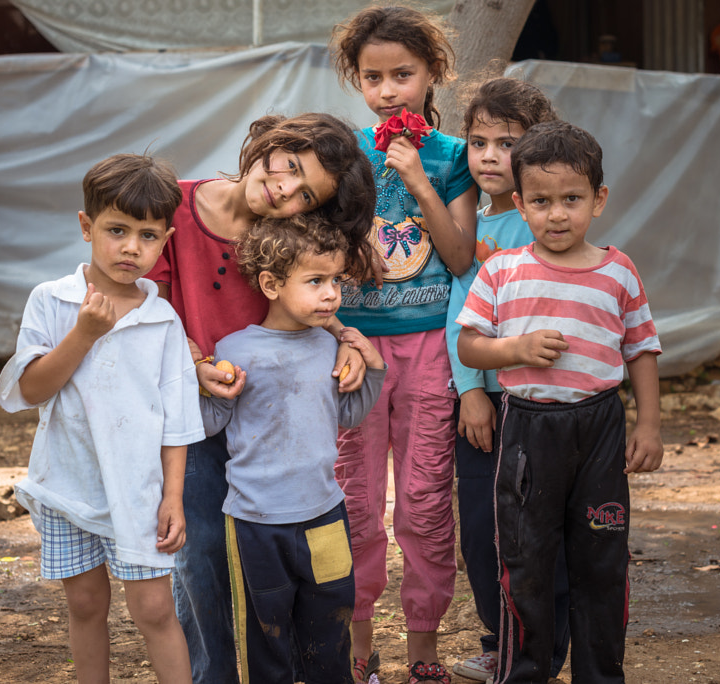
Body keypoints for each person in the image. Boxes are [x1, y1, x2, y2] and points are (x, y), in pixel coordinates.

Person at [147, 112, 377, 684]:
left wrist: (345, 338)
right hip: (195, 417)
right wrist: (195, 367)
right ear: (274, 145)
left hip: (277, 429)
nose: (284, 189)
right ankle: (213, 676)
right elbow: (143, 314)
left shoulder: (285, 239)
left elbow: (311, 299)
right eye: (291, 167)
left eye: (305, 195)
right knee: (201, 562)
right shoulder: (169, 208)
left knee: (268, 578)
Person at [456, 121, 664, 684]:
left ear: (598, 200)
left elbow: (642, 349)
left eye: (572, 199)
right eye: (542, 202)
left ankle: (600, 674)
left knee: (602, 560)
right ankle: (525, 671)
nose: (557, 215)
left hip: (598, 427)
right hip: (526, 429)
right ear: (520, 204)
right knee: (525, 561)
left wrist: (648, 425)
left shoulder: (618, 271)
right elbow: (468, 343)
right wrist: (516, 348)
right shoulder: (502, 270)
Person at [0, 153, 203, 683]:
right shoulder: (53, 301)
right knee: (86, 605)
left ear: (166, 240)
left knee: (155, 610)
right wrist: (84, 334)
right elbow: (29, 389)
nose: (132, 247)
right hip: (68, 485)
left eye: (149, 236)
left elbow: (176, 421)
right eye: (117, 230)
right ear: (87, 226)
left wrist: (174, 496)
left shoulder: (162, 321)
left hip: (138, 492)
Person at [329, 5, 479, 683]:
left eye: (404, 74)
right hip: (355, 353)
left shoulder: (455, 159)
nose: (389, 89)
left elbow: (457, 255)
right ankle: (357, 650)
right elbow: (322, 251)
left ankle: (424, 651)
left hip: (426, 349)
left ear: (432, 74)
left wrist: (418, 178)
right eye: (374, 77)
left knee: (422, 504)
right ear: (358, 82)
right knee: (355, 505)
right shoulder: (341, 156)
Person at [198, 214, 387, 683]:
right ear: (271, 284)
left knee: (331, 625)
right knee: (267, 635)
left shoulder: (331, 348)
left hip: (325, 515)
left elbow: (348, 415)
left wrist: (374, 367)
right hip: (256, 523)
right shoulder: (234, 350)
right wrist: (205, 386)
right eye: (316, 281)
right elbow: (209, 423)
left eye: (336, 281)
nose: (331, 294)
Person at [444, 77, 570, 684]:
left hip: (537, 405)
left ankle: (543, 650)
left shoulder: (546, 225)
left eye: (507, 142)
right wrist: (470, 389)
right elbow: (458, 314)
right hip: (481, 404)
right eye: (477, 141)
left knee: (540, 532)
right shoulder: (468, 225)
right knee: (481, 532)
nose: (490, 155)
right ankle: (502, 641)